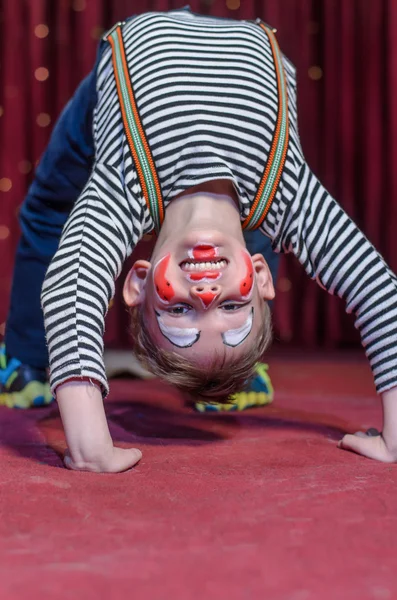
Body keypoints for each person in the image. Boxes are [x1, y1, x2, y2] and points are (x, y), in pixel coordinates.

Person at [2, 7, 397, 473]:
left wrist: (90, 443)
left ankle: (28, 360)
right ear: (264, 277)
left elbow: (72, 282)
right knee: (255, 224)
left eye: (180, 312)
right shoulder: (286, 192)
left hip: (134, 50)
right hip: (247, 43)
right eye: (232, 309)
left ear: (138, 281)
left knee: (52, 209)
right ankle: (233, 372)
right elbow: (376, 288)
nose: (206, 292)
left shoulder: (125, 182)